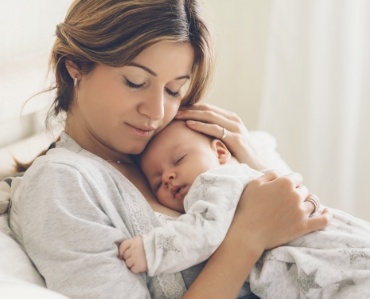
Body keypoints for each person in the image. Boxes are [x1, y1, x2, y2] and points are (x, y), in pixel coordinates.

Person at [8, 1, 331, 298]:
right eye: (135, 82)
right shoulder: (60, 184)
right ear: (75, 65)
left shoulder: (183, 144)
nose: (157, 112)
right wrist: (248, 237)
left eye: (175, 89)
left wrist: (252, 160)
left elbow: (312, 237)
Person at [120, 120, 370, 298]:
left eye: (179, 160)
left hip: (340, 265)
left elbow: (203, 232)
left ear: (220, 152)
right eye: (157, 180)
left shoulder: (216, 181)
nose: (168, 177)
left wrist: (151, 249)